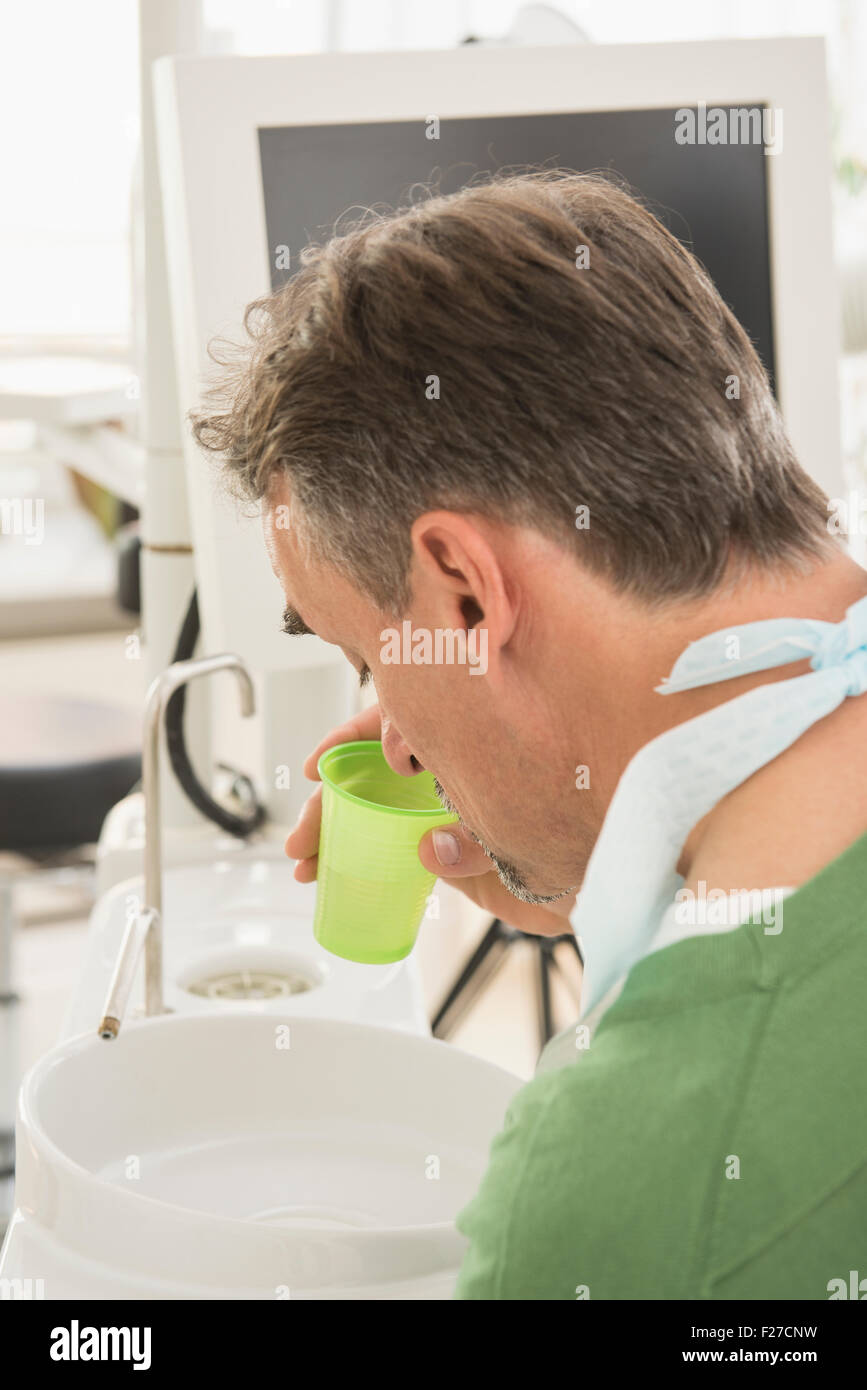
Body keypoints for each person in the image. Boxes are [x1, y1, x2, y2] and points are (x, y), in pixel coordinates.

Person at [192, 172, 867, 1300]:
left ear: (463, 592)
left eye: (372, 658)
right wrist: (612, 871)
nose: (393, 741)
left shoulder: (625, 1183)